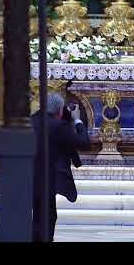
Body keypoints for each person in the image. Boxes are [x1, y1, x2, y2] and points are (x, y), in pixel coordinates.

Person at [31, 93, 90, 242]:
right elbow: (84, 143)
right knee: (48, 217)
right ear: (59, 111)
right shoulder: (58, 125)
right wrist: (77, 120)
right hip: (48, 178)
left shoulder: (30, 121)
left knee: (36, 217)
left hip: (27, 177)